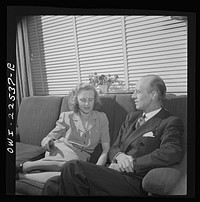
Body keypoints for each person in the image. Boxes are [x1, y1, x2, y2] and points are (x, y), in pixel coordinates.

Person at [43, 74, 185, 196]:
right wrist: (119, 156)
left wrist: (132, 165)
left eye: (137, 92)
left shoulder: (170, 121)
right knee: (52, 184)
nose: (133, 96)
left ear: (153, 94)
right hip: (112, 172)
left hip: (134, 179)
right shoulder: (131, 117)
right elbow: (114, 147)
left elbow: (171, 152)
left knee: (73, 168)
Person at [16, 83, 110, 183]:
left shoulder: (102, 117)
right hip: (63, 149)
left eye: (90, 100)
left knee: (70, 176)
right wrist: (47, 142)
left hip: (81, 157)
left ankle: (22, 175)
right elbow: (49, 137)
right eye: (83, 100)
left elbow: (106, 148)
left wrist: (98, 169)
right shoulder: (67, 116)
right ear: (76, 100)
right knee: (68, 165)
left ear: (94, 100)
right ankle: (28, 166)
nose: (87, 104)